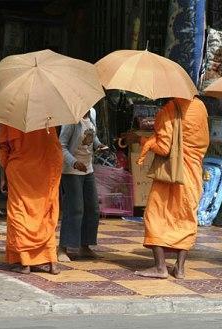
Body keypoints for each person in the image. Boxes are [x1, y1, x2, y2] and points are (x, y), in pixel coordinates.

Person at [122, 97, 209, 279]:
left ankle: (160, 267)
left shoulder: (169, 109)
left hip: (171, 174)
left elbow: (163, 147)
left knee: (155, 215)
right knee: (185, 217)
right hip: (193, 172)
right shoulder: (200, 106)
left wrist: (140, 138)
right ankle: (180, 268)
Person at [0, 124, 62, 274]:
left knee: (20, 211)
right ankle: (51, 260)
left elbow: (3, 147)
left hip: (20, 169)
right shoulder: (47, 114)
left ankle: (25, 262)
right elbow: (54, 145)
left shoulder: (10, 114)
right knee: (46, 212)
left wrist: (3, 175)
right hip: (47, 167)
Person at [57, 108, 107, 262]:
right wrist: (74, 162)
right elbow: (62, 146)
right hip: (71, 171)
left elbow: (92, 136)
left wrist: (98, 145)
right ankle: (63, 248)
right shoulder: (71, 118)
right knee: (75, 208)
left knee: (92, 208)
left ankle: (85, 246)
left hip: (88, 168)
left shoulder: (92, 113)